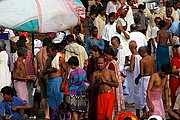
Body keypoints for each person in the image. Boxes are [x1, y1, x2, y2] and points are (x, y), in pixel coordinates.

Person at [44, 44, 67, 119]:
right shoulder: (48, 60)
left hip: (58, 81)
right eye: (47, 52)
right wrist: (49, 70)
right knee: (51, 101)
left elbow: (66, 71)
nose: (48, 54)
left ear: (55, 51)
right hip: (51, 82)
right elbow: (43, 72)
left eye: (49, 52)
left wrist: (63, 84)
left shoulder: (60, 59)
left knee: (59, 101)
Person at [135, 46, 156, 119]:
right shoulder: (152, 58)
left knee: (144, 96)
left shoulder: (142, 61)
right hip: (153, 77)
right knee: (151, 94)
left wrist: (137, 79)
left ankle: (146, 113)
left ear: (141, 53)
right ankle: (151, 111)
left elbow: (141, 73)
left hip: (146, 79)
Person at [104, 47, 125, 118]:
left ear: (111, 55)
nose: (106, 57)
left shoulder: (111, 64)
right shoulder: (115, 62)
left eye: (106, 56)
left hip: (113, 85)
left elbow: (111, 76)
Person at [35, 38, 52, 120]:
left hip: (40, 73)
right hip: (47, 74)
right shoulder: (48, 52)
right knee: (49, 95)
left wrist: (37, 76)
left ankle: (46, 114)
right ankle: (49, 113)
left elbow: (35, 67)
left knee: (43, 95)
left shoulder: (38, 53)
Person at [86, 45, 102, 120]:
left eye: (92, 53)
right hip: (91, 84)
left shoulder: (101, 60)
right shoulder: (91, 61)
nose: (91, 55)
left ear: (97, 52)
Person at [129, 40, 142, 119]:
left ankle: (138, 114)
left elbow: (131, 69)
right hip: (142, 76)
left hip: (136, 76)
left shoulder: (133, 56)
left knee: (137, 95)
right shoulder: (141, 55)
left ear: (130, 48)